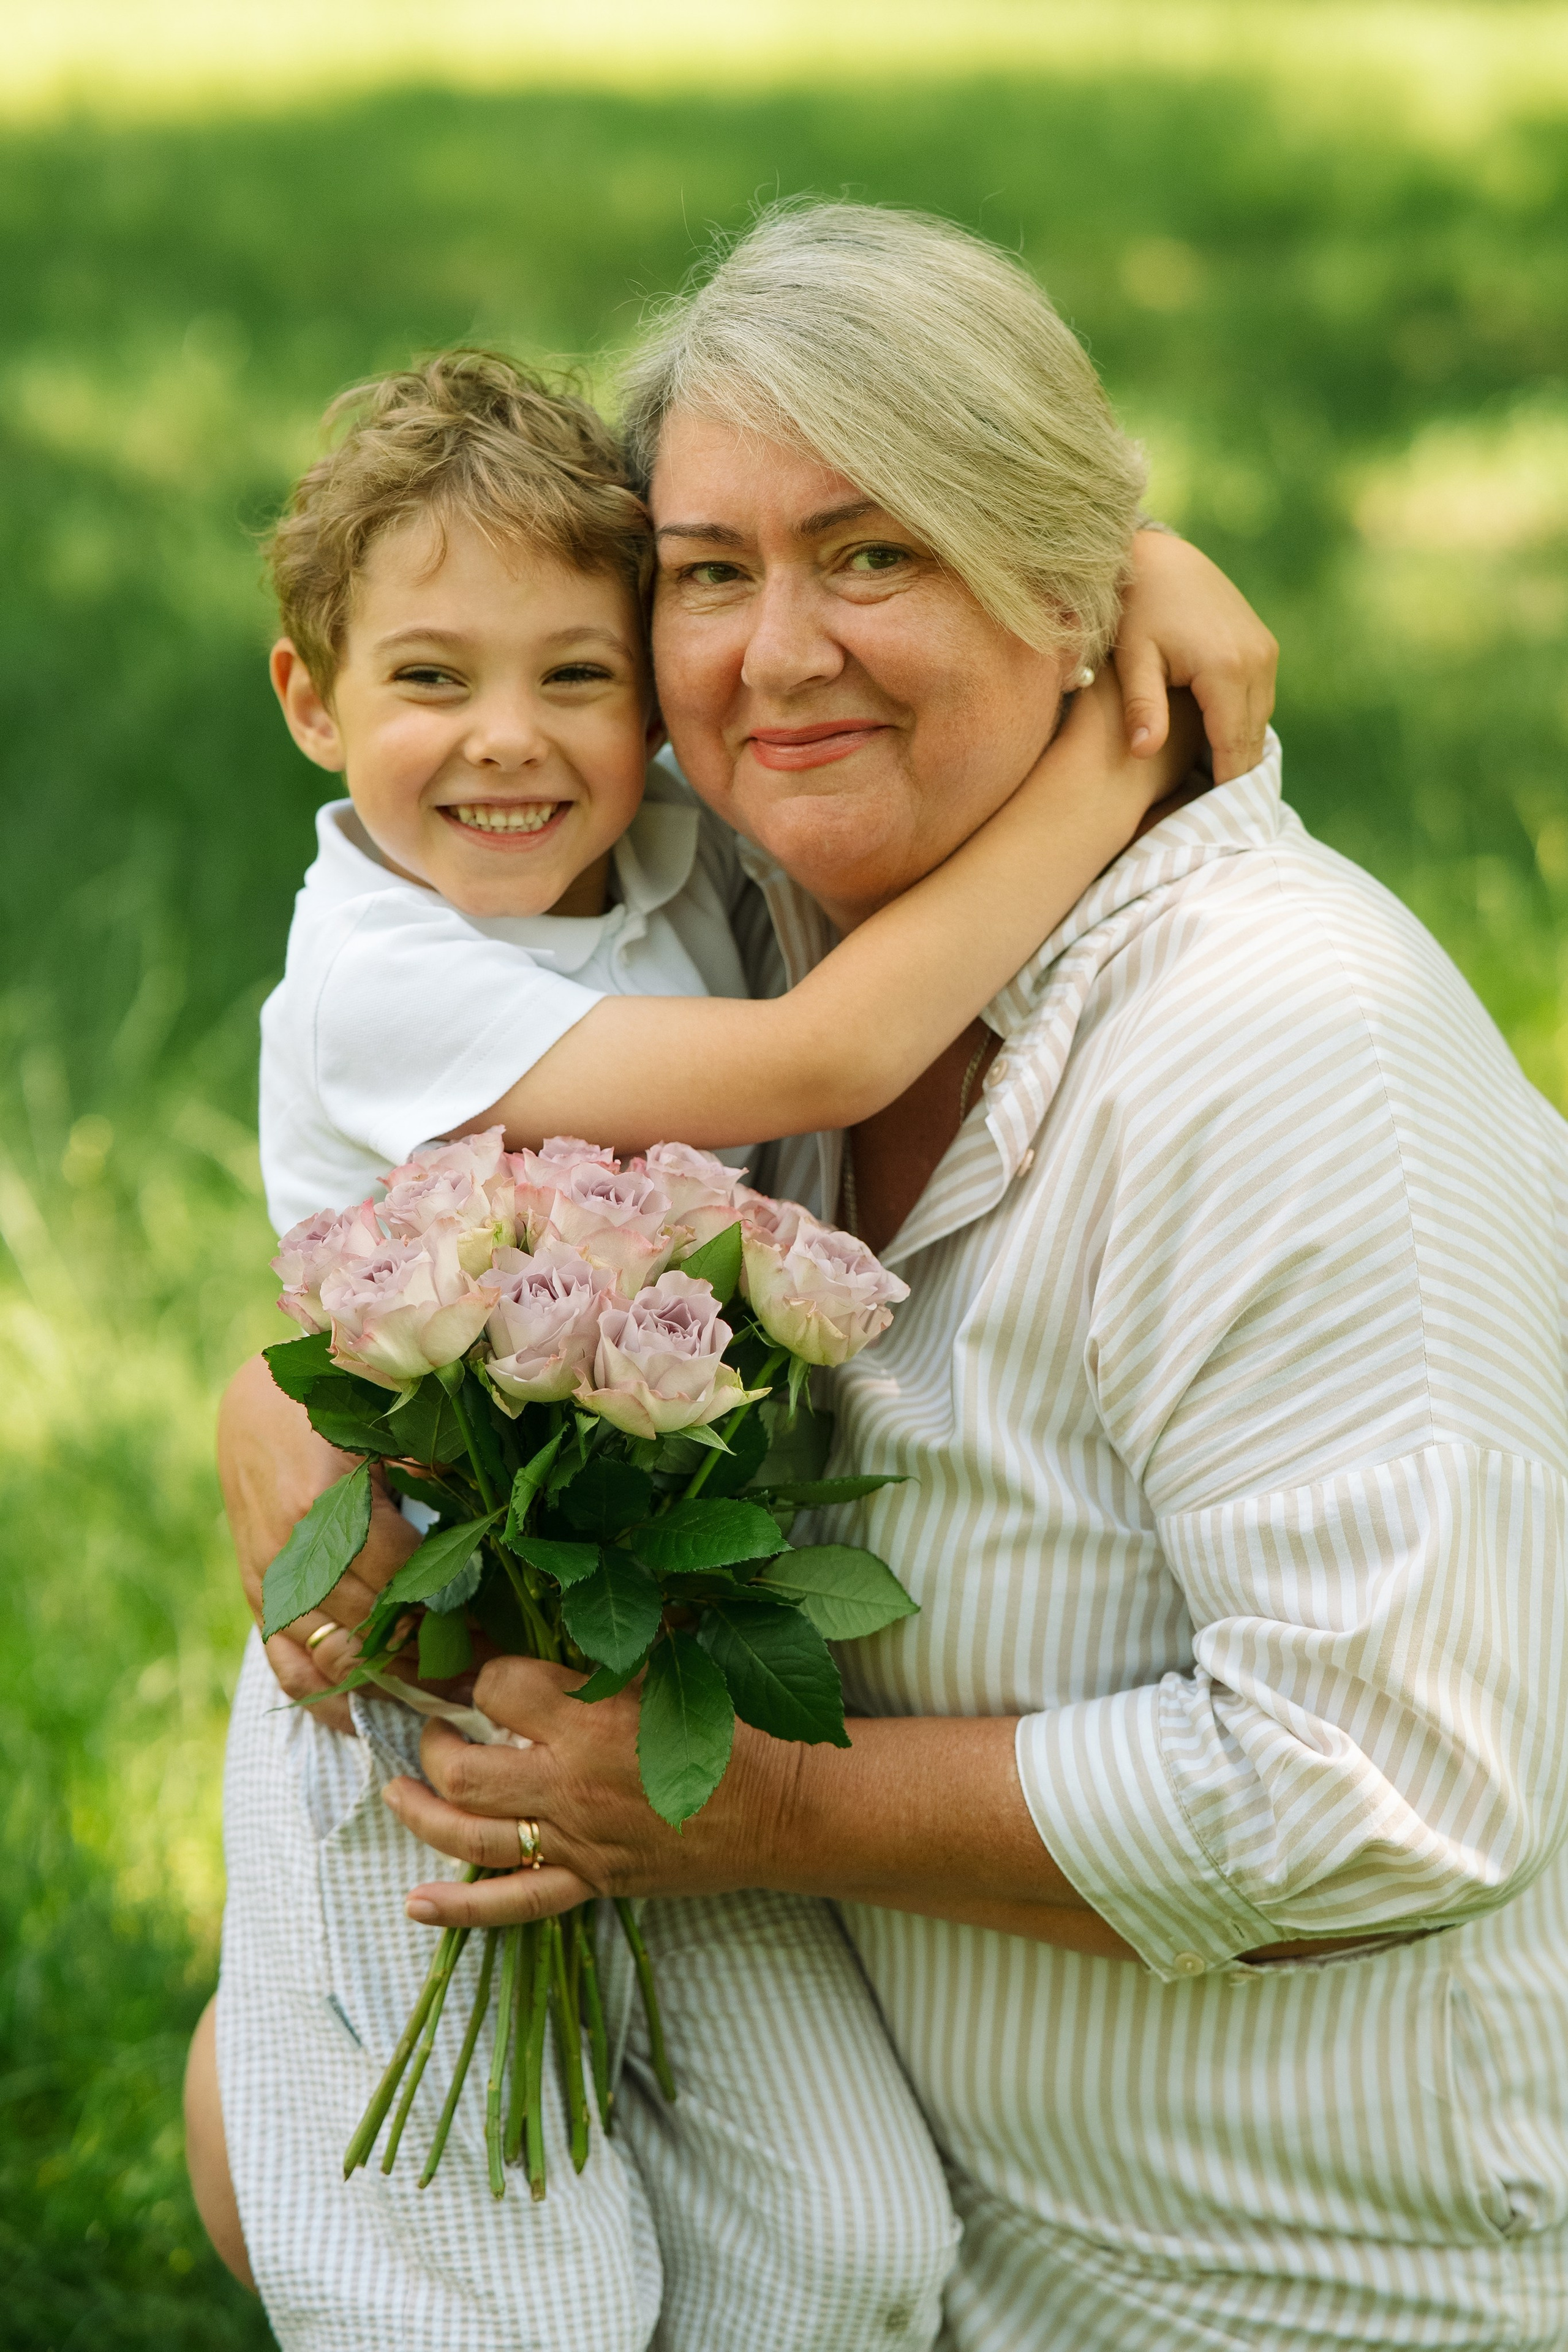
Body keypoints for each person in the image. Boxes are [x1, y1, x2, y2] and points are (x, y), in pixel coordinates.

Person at [236, 202, 1568, 2351]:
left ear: (1066, 596)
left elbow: (1384, 1790)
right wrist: (288, 1396)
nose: (773, 663)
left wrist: (749, 1813)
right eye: (710, 574)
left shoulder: (1293, 1049)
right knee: (282, 2120)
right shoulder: (759, 894)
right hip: (909, 2196)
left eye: (878, 554)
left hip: (1275, 2289)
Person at [190, 339, 1238, 2351]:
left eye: (578, 676)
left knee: (853, 2251)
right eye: (430, 679)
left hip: (659, 1636)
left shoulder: (643, 851)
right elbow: (833, 1054)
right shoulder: (388, 980)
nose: (513, 741)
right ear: (309, 700)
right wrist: (1131, 739)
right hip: (424, 1675)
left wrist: (1128, 571)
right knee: (502, 2295)